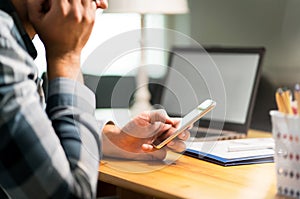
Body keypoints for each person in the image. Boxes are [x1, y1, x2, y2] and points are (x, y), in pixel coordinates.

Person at [0, 0, 190, 198]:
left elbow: (33, 138)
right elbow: (73, 194)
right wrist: (66, 57)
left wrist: (115, 140)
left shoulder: (14, 43)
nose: (102, 3)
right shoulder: (3, 45)